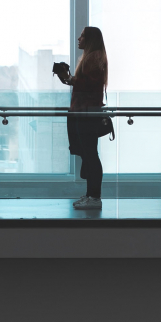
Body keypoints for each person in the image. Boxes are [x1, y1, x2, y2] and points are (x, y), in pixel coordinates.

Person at [55, 26, 108, 210]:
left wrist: (72, 78)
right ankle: (91, 195)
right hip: (86, 112)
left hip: (87, 113)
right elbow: (87, 84)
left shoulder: (93, 58)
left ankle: (94, 197)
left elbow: (88, 86)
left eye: (82, 36)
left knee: (91, 155)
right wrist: (69, 78)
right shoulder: (94, 58)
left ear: (90, 39)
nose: (79, 39)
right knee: (89, 154)